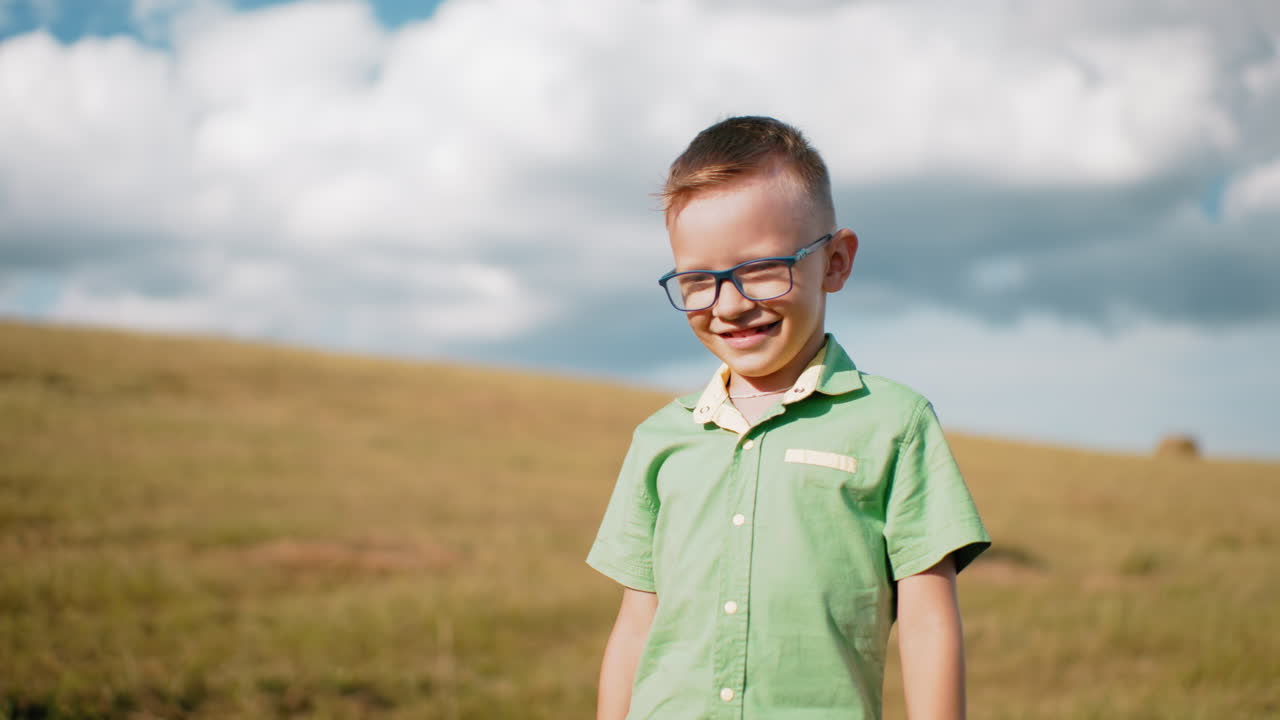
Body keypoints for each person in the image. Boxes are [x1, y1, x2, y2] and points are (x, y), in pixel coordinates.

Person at [586, 116, 991, 719]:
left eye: (759, 271)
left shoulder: (895, 424)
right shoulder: (660, 439)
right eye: (698, 281)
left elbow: (929, 622)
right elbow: (636, 629)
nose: (729, 305)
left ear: (834, 262)